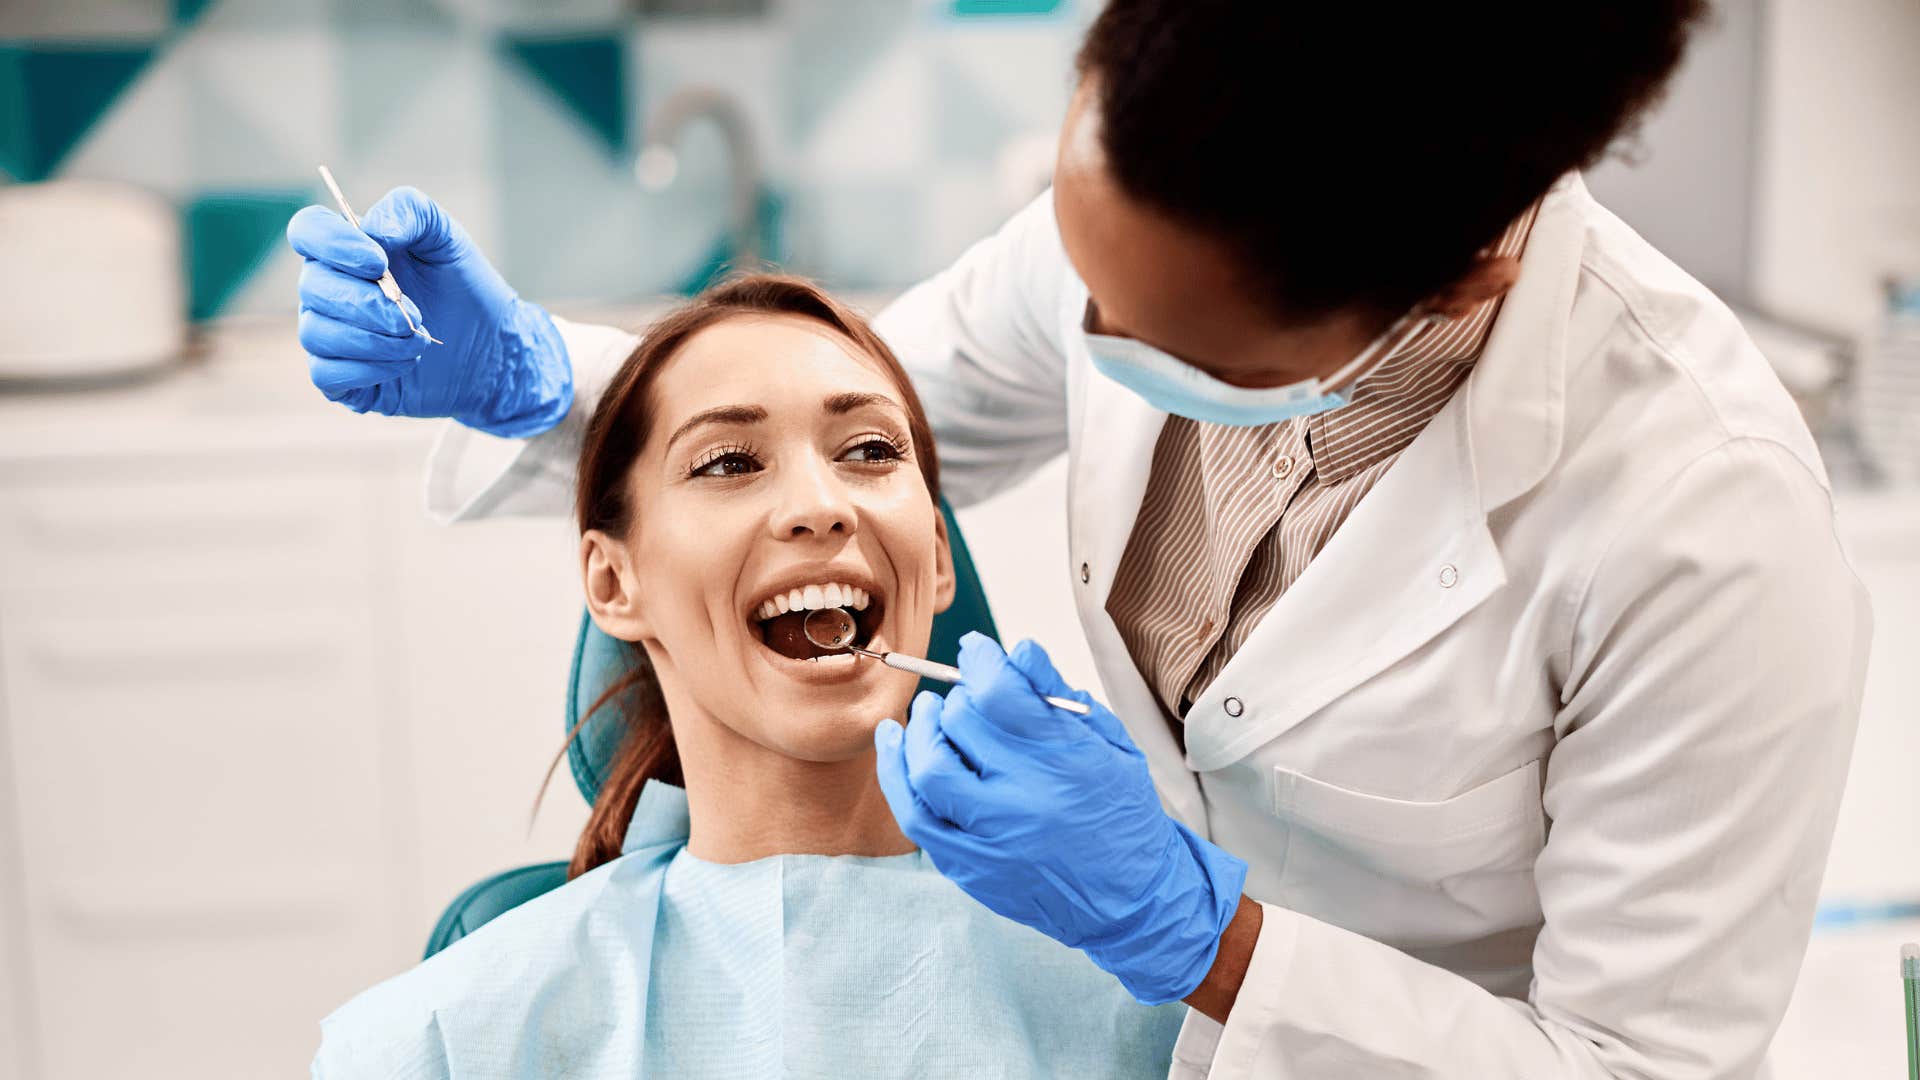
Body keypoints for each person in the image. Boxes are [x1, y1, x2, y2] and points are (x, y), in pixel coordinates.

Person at [286, 2, 1873, 1075]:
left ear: (1451, 282)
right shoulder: (450, 1034)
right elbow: (863, 397)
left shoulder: (1697, 526)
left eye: (1156, 330)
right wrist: (542, 387)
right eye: (1075, 261)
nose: (1081, 322)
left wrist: (1210, 943)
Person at [309, 276, 1188, 1077]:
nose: (819, 506)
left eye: (872, 451)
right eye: (729, 462)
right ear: (614, 583)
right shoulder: (445, 1044)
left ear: (939, 556)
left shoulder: (1169, 997)